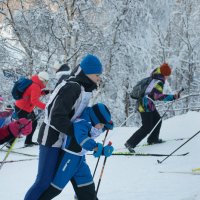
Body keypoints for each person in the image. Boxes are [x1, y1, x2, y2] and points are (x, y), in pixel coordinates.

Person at [24, 54, 103, 200]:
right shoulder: (73, 87)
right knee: (44, 181)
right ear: (88, 73)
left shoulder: (83, 87)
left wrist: (97, 119)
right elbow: (57, 117)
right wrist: (78, 134)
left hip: (67, 140)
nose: (99, 78)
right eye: (97, 75)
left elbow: (76, 113)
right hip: (51, 138)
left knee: (76, 174)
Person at [38, 103, 114, 200]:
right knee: (55, 188)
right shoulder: (81, 122)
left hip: (80, 160)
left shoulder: (92, 121)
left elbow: (95, 129)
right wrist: (99, 148)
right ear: (95, 119)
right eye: (101, 124)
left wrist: (107, 125)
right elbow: (82, 139)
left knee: (88, 187)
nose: (101, 127)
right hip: (68, 159)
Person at [125, 63, 180, 153]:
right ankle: (130, 143)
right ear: (165, 74)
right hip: (146, 105)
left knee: (158, 120)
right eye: (168, 75)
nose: (167, 77)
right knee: (147, 127)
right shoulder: (159, 81)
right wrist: (172, 97)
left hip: (146, 104)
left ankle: (153, 139)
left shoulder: (154, 78)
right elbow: (157, 96)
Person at [14, 71, 50, 147]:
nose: (46, 83)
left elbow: (31, 94)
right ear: (42, 80)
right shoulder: (36, 86)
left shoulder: (34, 83)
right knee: (22, 125)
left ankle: (28, 141)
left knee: (33, 123)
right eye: (46, 81)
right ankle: (10, 142)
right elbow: (34, 100)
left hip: (24, 107)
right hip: (22, 108)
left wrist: (43, 93)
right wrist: (46, 107)